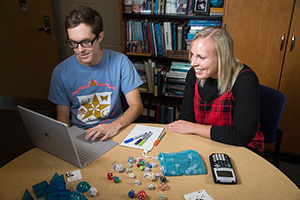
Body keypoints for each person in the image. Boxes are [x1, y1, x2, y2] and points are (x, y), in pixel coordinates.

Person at [48, 6, 143, 142]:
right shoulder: (60, 72)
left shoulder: (121, 62)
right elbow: (62, 118)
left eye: (86, 42)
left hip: (116, 131)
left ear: (100, 36)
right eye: (73, 43)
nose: (80, 50)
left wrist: (114, 126)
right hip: (81, 135)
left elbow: (137, 105)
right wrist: (67, 142)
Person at [165, 27, 264, 152]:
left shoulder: (245, 80)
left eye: (201, 57)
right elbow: (187, 119)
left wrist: (193, 128)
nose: (193, 63)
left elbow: (241, 136)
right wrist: (191, 129)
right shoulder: (193, 74)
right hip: (206, 140)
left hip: (243, 148)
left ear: (222, 58)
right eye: (192, 55)